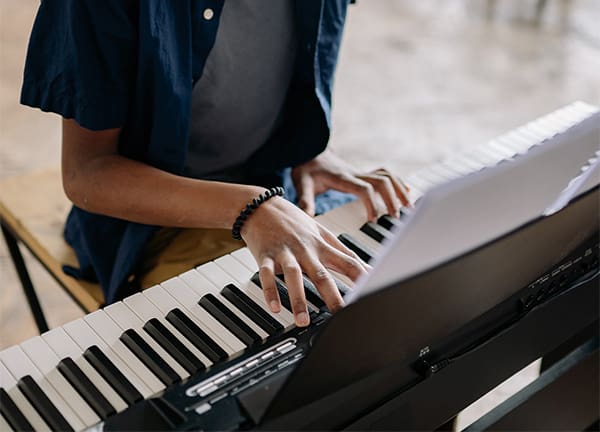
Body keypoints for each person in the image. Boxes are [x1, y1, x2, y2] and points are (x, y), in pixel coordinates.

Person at [21, 0, 409, 327]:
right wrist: (251, 208)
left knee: (416, 319)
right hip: (151, 221)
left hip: (274, 181)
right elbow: (86, 173)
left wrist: (306, 151)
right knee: (276, 366)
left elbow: (289, 60)